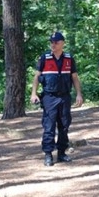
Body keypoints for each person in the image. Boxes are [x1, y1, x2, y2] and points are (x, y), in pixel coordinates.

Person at [30, 31, 84, 167]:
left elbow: (75, 78)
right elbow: (36, 77)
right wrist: (33, 93)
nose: (53, 45)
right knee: (49, 126)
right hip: (49, 97)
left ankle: (61, 153)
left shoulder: (69, 58)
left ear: (62, 43)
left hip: (65, 97)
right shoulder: (45, 58)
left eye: (56, 42)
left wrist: (79, 94)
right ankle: (48, 154)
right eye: (52, 42)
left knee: (64, 125)